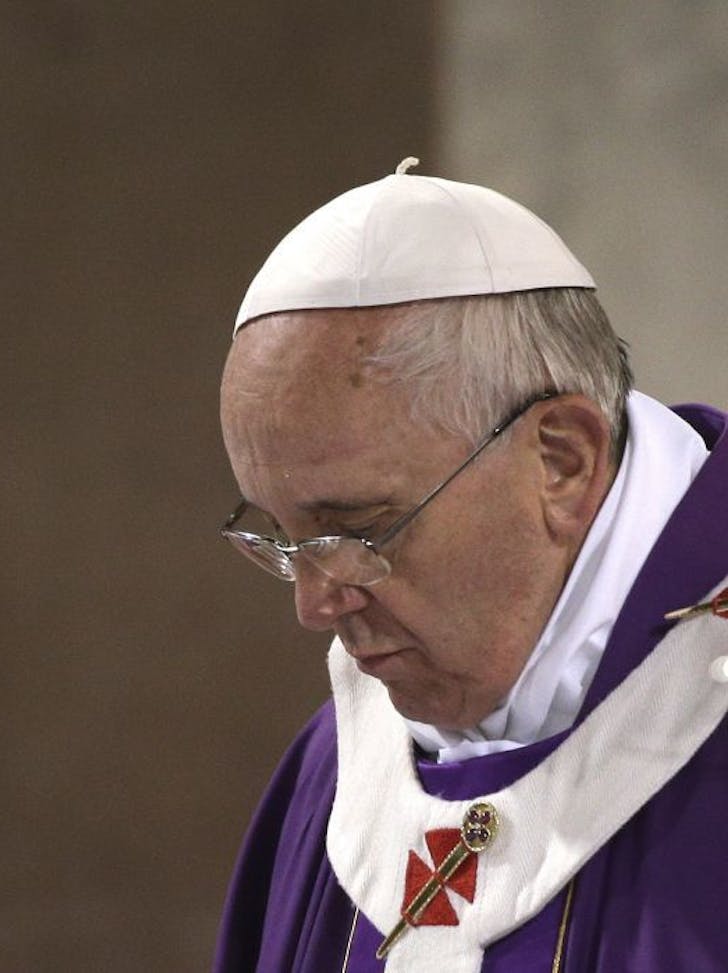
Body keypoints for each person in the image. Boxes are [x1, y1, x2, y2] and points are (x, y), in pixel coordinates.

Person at [212, 159, 728, 972]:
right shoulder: (338, 777)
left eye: (360, 528)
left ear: (561, 460)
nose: (315, 606)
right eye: (282, 538)